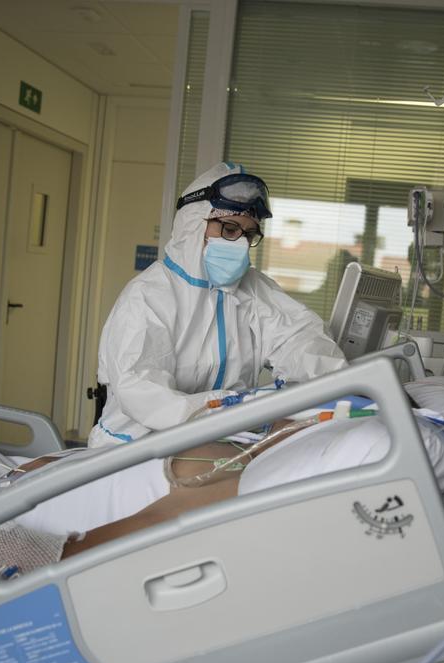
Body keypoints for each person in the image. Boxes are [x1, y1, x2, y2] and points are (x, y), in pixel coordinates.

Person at [89, 161, 346, 449]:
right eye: (229, 229)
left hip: (222, 443)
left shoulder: (253, 289)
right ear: (193, 223)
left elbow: (301, 336)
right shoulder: (148, 296)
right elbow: (143, 393)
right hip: (135, 450)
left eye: (248, 234)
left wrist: (336, 385)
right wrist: (229, 408)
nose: (239, 244)